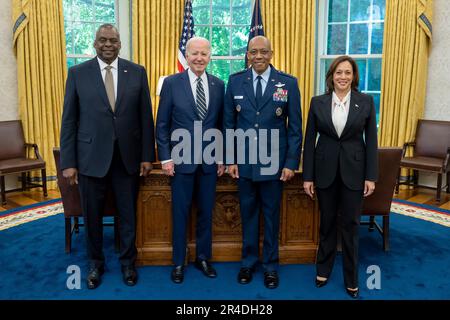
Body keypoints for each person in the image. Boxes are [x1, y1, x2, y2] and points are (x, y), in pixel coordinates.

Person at [60, 24, 155, 289]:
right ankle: (95, 264)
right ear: (94, 43)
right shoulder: (78, 73)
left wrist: (147, 155)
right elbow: (69, 121)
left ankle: (128, 263)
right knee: (92, 216)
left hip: (128, 158)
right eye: (102, 40)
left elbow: (146, 118)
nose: (108, 44)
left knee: (127, 214)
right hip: (90, 158)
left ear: (120, 43)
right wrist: (69, 163)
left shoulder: (136, 72)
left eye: (113, 40)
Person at [223, 36, 302, 289]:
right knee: (247, 215)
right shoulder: (236, 82)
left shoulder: (287, 83)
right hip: (244, 164)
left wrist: (291, 162)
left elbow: (295, 128)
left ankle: (270, 266)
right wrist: (231, 158)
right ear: (247, 54)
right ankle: (248, 263)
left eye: (263, 52)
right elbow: (228, 124)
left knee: (270, 217)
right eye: (253, 52)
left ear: (271, 54)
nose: (258, 56)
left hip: (274, 165)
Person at [302, 55, 378, 298]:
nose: (343, 77)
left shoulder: (365, 102)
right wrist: (308, 177)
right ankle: (323, 269)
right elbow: (309, 141)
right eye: (338, 72)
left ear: (353, 76)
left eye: (347, 73)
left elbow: (371, 143)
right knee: (327, 223)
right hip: (324, 173)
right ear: (331, 76)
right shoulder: (317, 102)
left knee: (351, 225)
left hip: (355, 173)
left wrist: (371, 176)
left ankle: (351, 277)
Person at [156, 37, 225, 284]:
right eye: (194, 53)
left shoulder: (219, 85)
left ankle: (203, 258)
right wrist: (166, 157)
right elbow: (162, 125)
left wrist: (221, 157)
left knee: (206, 213)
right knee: (180, 213)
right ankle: (178, 262)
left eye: (204, 54)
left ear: (209, 56)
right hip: (181, 162)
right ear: (187, 55)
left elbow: (221, 126)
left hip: (208, 163)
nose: (199, 58)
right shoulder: (172, 83)